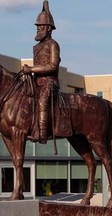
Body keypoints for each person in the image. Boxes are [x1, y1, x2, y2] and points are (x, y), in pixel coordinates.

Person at [23, 0, 61, 144]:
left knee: (42, 102)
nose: (38, 28)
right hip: (36, 82)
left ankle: (42, 133)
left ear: (49, 28)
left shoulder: (53, 45)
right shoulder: (36, 47)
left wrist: (31, 69)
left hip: (49, 83)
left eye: (41, 26)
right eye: (37, 26)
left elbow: (52, 66)